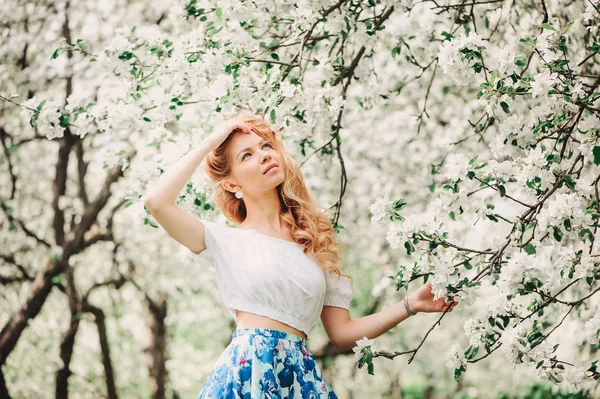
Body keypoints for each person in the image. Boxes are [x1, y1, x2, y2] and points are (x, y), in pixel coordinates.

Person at [143, 110, 459, 398]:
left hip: (300, 378)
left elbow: (342, 334)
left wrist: (410, 305)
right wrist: (213, 139)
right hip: (246, 376)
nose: (264, 155)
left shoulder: (314, 241)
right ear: (231, 183)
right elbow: (157, 202)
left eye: (266, 146)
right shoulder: (224, 241)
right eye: (248, 155)